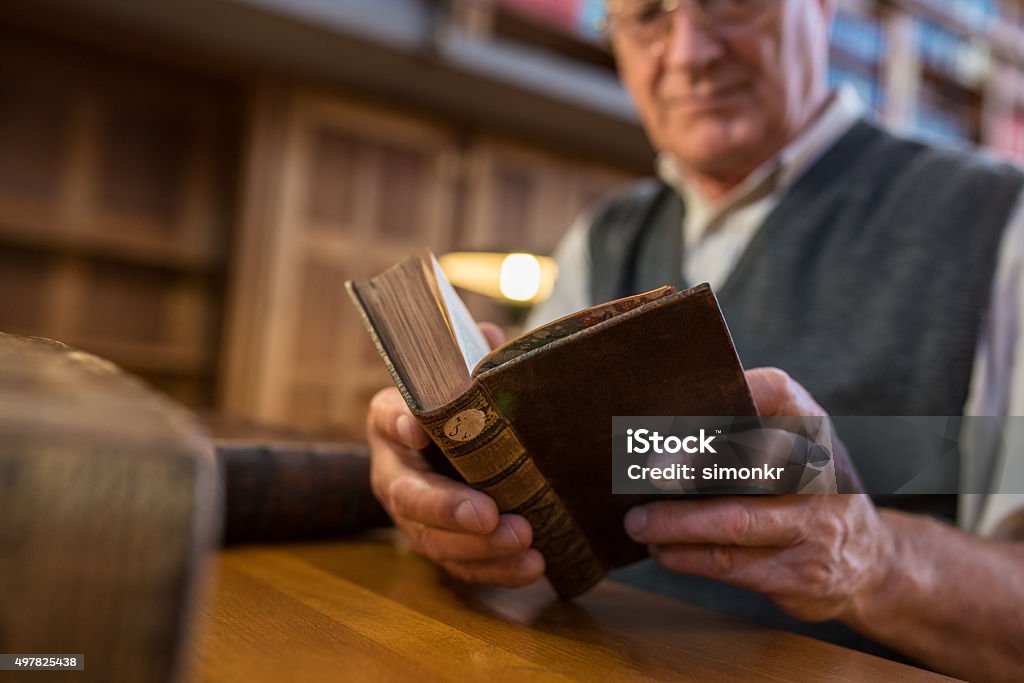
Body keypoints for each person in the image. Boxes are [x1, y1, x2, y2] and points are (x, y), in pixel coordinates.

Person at [365, 0, 1024, 680]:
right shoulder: (603, 239)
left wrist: (874, 562)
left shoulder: (997, 225)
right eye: (647, 14)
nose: (687, 54)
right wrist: (435, 485)